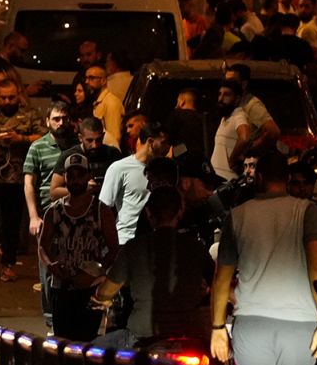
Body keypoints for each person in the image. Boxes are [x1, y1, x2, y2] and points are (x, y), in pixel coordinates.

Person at [210, 152, 317, 365]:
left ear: (259, 177)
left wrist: (217, 329)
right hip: (299, 323)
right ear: (287, 179)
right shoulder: (307, 211)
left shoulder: (237, 216)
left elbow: (222, 279)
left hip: (252, 322)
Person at [92, 186, 215, 350]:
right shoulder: (196, 247)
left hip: (143, 336)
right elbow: (218, 283)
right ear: (180, 212)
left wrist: (101, 297)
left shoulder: (134, 248)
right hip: (190, 334)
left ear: (149, 213)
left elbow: (106, 292)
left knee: (92, 349)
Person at [38, 154, 119, 341]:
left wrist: (95, 272)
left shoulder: (100, 211)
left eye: (80, 175)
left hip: (90, 288)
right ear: (65, 178)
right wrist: (52, 266)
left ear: (88, 176)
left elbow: (114, 249)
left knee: (88, 340)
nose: (75, 180)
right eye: (71, 175)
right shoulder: (54, 211)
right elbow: (42, 246)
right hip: (62, 287)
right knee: (63, 340)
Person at [0, 77, 44, 281]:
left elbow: (43, 135)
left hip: (16, 176)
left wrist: (21, 139)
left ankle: (8, 263)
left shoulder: (29, 114)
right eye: (4, 98)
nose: (8, 102)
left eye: (11, 98)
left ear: (18, 96)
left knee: (12, 223)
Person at [24, 101, 78, 331]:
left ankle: (70, 313)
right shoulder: (37, 147)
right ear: (47, 121)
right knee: (48, 268)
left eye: (64, 118)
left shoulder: (77, 145)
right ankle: (51, 317)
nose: (60, 122)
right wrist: (33, 216)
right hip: (48, 216)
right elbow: (29, 183)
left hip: (75, 215)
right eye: (56, 119)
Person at [100, 120, 172, 246]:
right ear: (150, 142)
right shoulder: (120, 168)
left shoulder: (165, 170)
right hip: (127, 240)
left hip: (156, 241)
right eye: (163, 143)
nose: (167, 147)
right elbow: (104, 208)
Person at [49, 117, 122, 201]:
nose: (95, 145)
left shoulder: (113, 154)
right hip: (78, 209)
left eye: (98, 140)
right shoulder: (69, 156)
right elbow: (54, 193)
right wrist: (83, 190)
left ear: (103, 136)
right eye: (89, 140)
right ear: (80, 138)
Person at [211, 79, 251, 181]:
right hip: (218, 180)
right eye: (220, 94)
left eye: (226, 95)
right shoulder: (225, 118)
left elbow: (245, 138)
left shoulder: (238, 115)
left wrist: (232, 160)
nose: (220, 99)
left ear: (237, 99)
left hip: (227, 182)